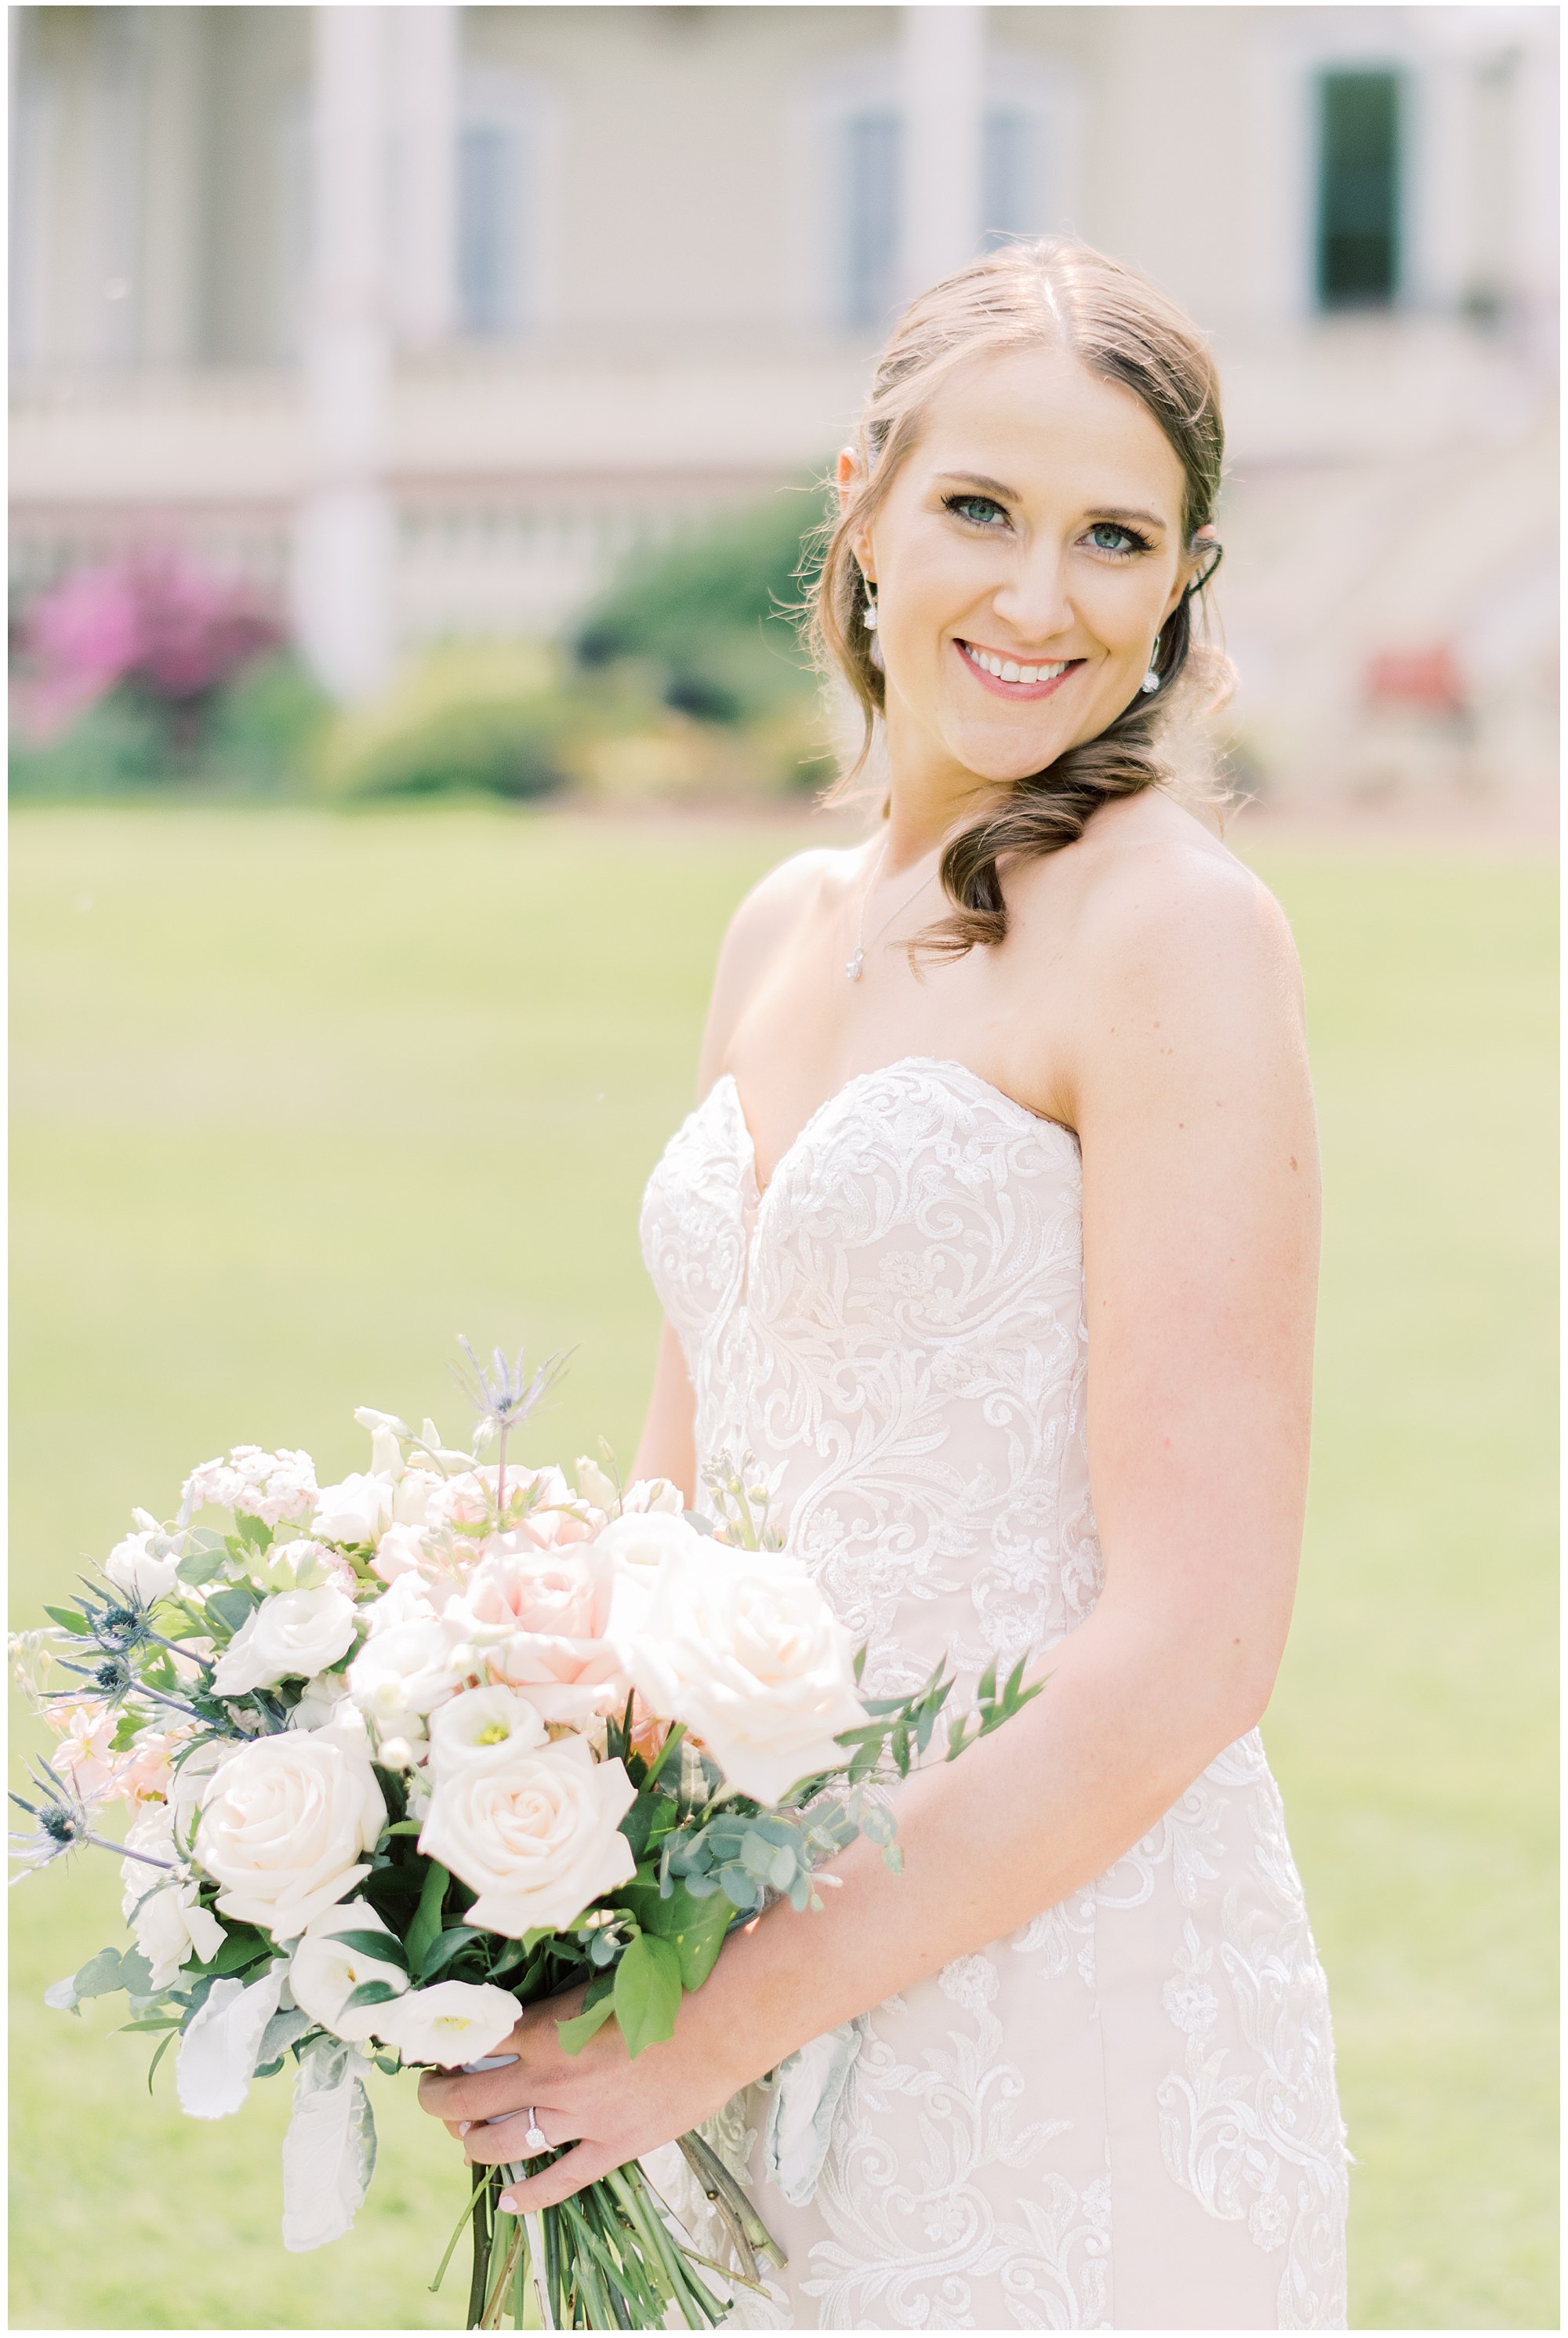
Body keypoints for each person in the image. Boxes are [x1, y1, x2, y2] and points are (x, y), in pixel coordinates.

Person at [420, 238, 1350, 2331]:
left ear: (1183, 578)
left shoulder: (1176, 935)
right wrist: (492, 1832)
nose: (1039, 598)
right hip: (732, 1988)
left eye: (1115, 537)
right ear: (860, 501)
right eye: (981, 511)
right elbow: (682, 1515)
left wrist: (724, 2018)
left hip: (1054, 2011)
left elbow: (1199, 1638)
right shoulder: (775, 927)